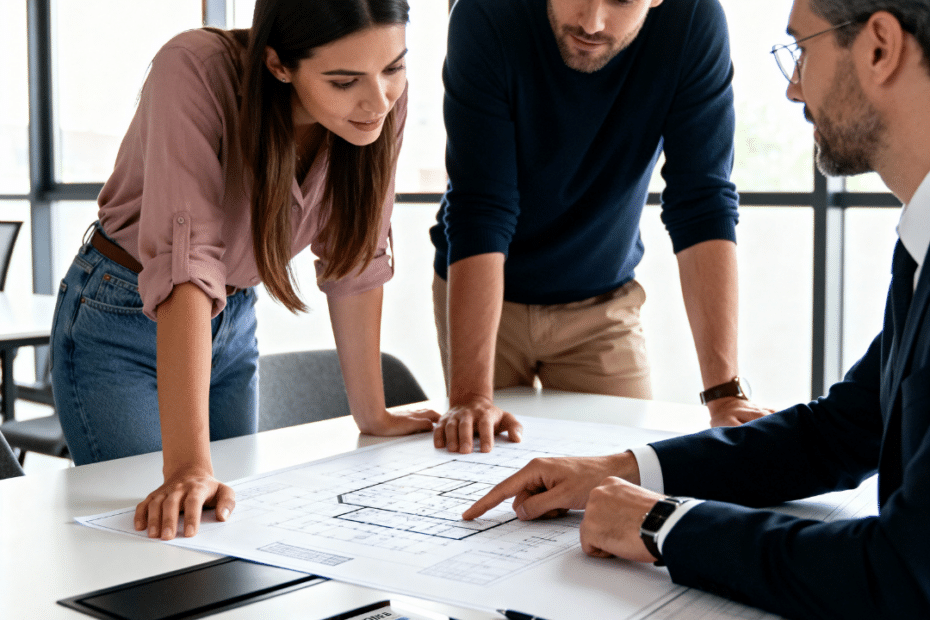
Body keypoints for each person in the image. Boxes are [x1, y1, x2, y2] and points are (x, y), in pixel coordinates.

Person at [464, 0, 930, 616]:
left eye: (802, 50)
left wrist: (663, 525)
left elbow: (901, 573)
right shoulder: (920, 238)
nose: (792, 88)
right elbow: (841, 430)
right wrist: (625, 468)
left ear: (879, 47)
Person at [50, 0, 440, 541]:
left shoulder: (377, 104)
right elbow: (188, 264)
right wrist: (187, 467)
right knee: (160, 539)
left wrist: (372, 414)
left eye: (394, 68)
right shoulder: (193, 69)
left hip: (233, 315)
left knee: (229, 530)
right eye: (345, 80)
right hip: (124, 316)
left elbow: (355, 258)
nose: (378, 101)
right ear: (279, 64)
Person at [430, 0, 772, 455]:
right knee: (477, 468)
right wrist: (471, 396)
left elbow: (702, 201)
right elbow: (481, 207)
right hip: (485, 296)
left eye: (621, 0)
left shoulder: (693, 20)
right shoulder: (484, 12)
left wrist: (724, 394)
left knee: (622, 480)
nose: (592, 22)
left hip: (603, 311)